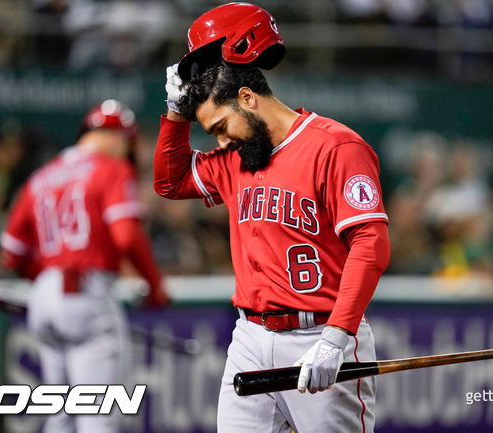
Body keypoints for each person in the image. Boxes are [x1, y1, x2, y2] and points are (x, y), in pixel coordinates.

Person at [154, 3, 390, 432]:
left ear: (248, 98)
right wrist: (174, 113)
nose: (220, 140)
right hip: (250, 336)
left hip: (320, 333)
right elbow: (169, 182)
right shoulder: (235, 158)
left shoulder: (335, 147)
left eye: (222, 126)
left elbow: (371, 244)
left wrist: (337, 338)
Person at [0, 99, 169, 433]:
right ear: (118, 138)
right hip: (87, 295)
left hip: (44, 299)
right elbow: (126, 237)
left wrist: (49, 278)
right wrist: (155, 285)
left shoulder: (42, 176)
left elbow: (11, 254)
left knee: (60, 415)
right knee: (97, 419)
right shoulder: (109, 168)